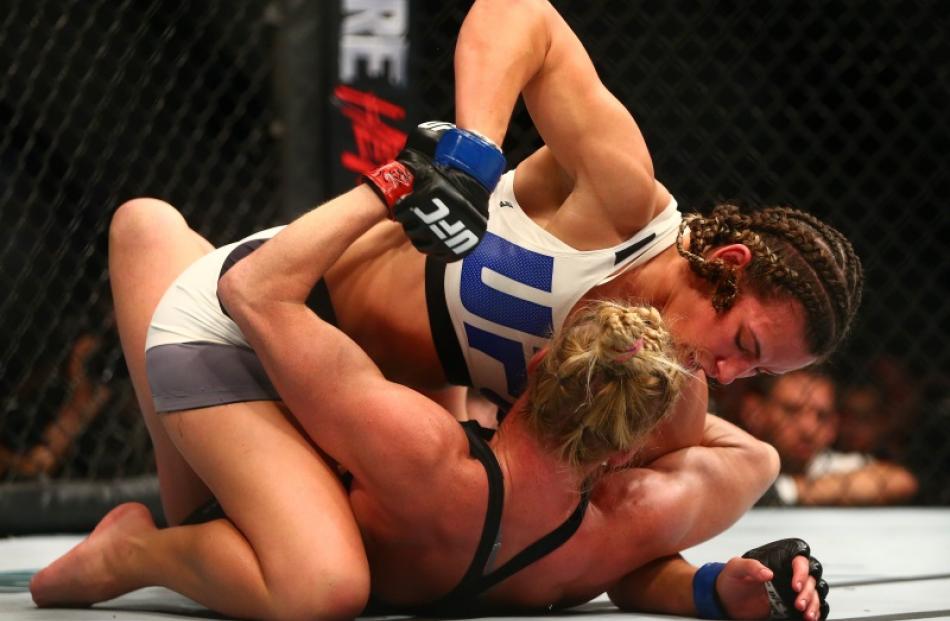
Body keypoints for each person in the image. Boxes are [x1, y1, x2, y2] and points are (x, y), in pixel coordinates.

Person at [114, 0, 862, 530]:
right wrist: (473, 156)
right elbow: (521, 14)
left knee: (272, 548)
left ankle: (158, 250)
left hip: (350, 412)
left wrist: (709, 589)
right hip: (281, 306)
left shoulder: (668, 404)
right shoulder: (621, 200)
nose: (729, 373)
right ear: (728, 265)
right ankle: (156, 247)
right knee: (206, 527)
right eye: (747, 345)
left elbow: (597, 542)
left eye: (757, 376)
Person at [31, 185, 830, 621]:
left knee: (251, 530)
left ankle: (152, 231)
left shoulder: (435, 446)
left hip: (279, 370)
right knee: (317, 580)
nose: (724, 371)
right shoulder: (608, 522)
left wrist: (396, 186)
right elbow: (751, 459)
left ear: (538, 363)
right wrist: (707, 585)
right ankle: (131, 552)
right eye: (740, 355)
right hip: (247, 316)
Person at [734, 368, 918, 506]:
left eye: (821, 416)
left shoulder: (834, 467)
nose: (808, 429)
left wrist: (786, 490)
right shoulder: (733, 460)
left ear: (833, 426)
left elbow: (901, 482)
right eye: (791, 411)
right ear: (755, 413)